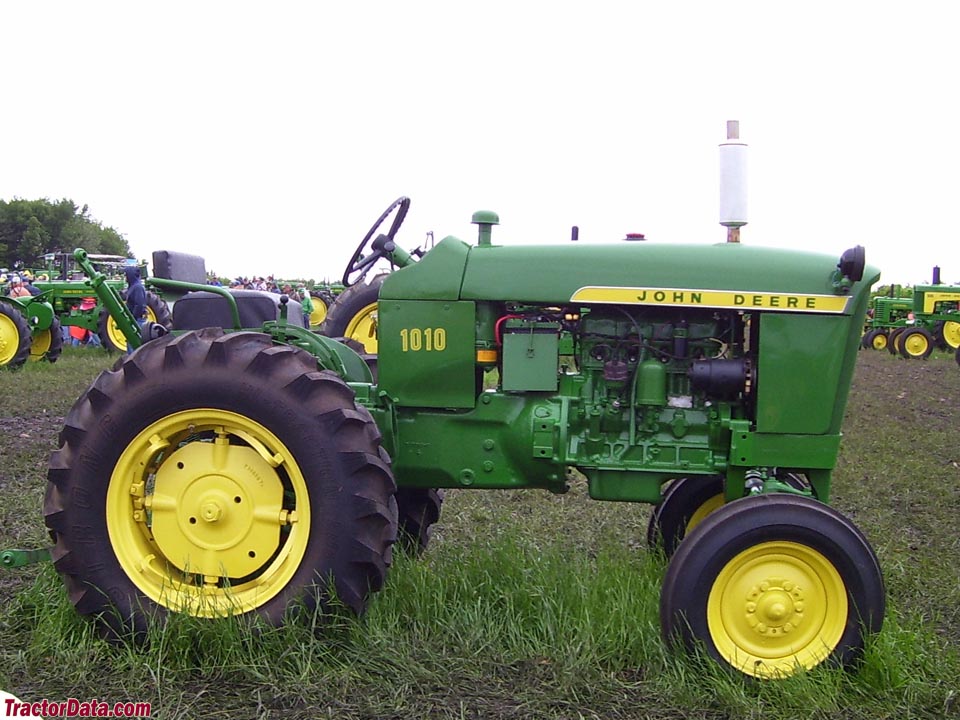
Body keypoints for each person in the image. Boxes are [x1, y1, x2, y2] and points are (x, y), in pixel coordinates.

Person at [124, 266, 147, 353]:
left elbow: (140, 305)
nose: (125, 277)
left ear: (130, 275)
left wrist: (133, 318)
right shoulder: (132, 286)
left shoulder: (137, 287)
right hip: (135, 319)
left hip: (138, 320)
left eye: (126, 275)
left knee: (134, 344)